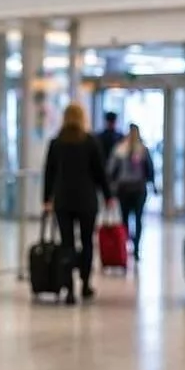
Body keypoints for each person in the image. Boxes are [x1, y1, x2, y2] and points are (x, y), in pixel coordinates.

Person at [43, 103, 114, 305]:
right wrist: (108, 196)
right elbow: (100, 173)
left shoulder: (56, 143)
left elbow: (49, 173)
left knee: (67, 244)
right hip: (86, 200)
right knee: (87, 242)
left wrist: (46, 199)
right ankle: (85, 284)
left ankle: (69, 289)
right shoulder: (90, 142)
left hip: (63, 200)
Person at [108, 123, 155, 259]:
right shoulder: (142, 150)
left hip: (124, 188)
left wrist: (112, 186)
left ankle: (125, 245)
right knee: (138, 218)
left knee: (125, 218)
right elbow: (150, 170)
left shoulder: (120, 149)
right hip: (138, 188)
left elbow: (111, 170)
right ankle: (135, 248)